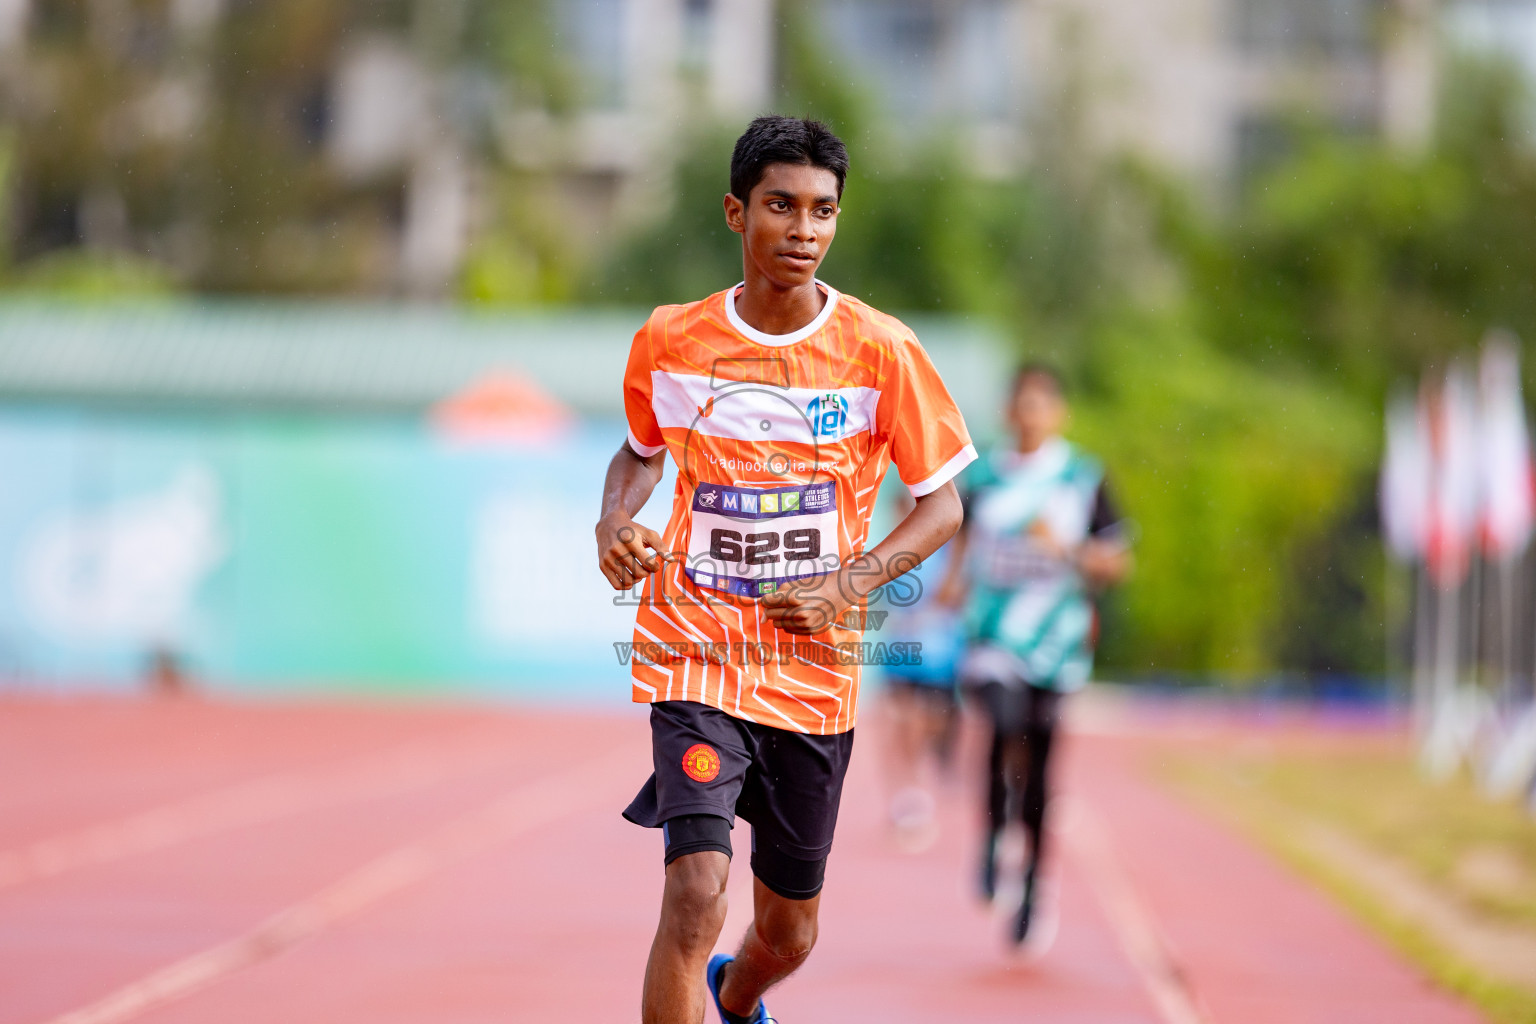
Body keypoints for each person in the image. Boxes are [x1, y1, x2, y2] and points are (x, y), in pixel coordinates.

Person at [594, 116, 974, 1024]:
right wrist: (614, 519)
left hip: (812, 682)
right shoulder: (672, 340)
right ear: (736, 212)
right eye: (781, 207)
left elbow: (943, 506)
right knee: (693, 895)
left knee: (789, 935)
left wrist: (848, 583)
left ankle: (737, 993)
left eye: (823, 211)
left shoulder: (882, 351)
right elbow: (640, 451)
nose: (803, 230)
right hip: (697, 658)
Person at [940, 363, 1130, 946]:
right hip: (994, 634)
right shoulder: (987, 474)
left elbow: (1116, 563)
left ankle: (1032, 883)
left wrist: (1068, 548)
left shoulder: (1083, 477)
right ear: (1007, 412)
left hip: (1058, 638)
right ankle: (995, 832)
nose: (1030, 416)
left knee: (1042, 765)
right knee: (1002, 724)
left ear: (1059, 413)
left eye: (1041, 406)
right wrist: (952, 582)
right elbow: (959, 534)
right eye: (1021, 405)